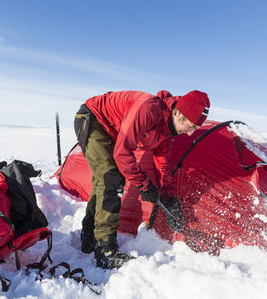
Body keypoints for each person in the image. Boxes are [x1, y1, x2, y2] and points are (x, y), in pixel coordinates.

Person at [74, 90, 210, 269]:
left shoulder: (167, 129)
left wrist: (168, 197)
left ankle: (90, 234)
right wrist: (144, 185)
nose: (191, 134)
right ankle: (105, 250)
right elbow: (122, 152)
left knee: (105, 179)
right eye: (191, 127)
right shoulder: (148, 109)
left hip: (112, 131)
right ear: (179, 114)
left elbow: (162, 164)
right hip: (92, 119)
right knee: (111, 177)